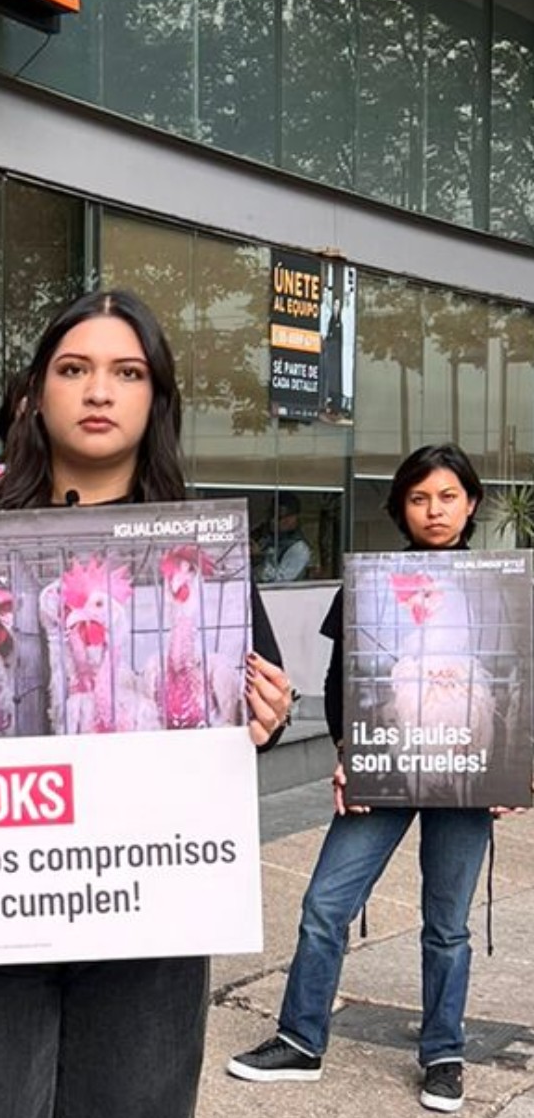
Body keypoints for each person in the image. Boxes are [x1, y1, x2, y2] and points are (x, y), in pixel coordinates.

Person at [0, 289, 293, 1118]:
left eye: (126, 372)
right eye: (75, 369)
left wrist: (266, 710)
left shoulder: (196, 542)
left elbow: (254, 691)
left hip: (151, 905)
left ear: (156, 399)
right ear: (34, 393)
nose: (99, 391)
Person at [229, 443, 508, 1114]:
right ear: (400, 508)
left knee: (447, 924)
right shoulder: (371, 579)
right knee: (326, 903)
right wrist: (347, 749)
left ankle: (444, 1053)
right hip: (383, 762)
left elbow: (513, 678)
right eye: (419, 498)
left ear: (469, 504)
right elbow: (338, 680)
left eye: (447, 496)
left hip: (464, 767)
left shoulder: (501, 583)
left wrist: (510, 769)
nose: (433, 510)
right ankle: (300, 1038)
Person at [254, 490, 314, 584]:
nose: (273, 521)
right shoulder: (268, 539)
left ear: (292, 518)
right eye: (272, 516)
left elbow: (281, 581)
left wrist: (259, 561)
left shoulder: (298, 548)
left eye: (279, 517)